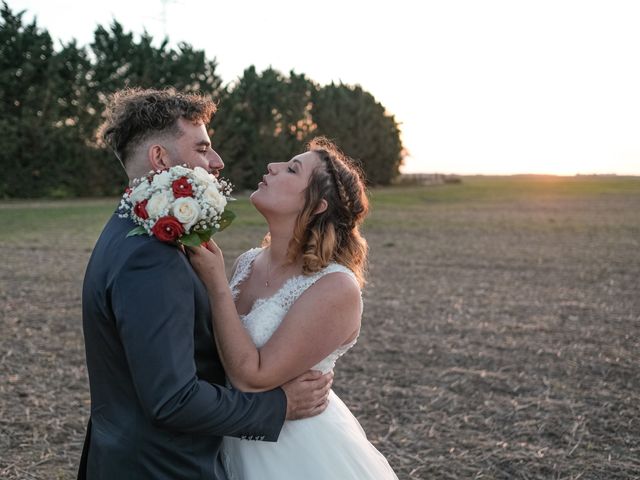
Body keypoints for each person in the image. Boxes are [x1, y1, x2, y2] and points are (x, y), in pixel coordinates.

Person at [79, 88, 333, 480]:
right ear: (160, 158)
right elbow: (173, 400)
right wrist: (279, 407)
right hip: (160, 467)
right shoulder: (149, 255)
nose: (217, 161)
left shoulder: (132, 231)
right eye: (202, 148)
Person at [187, 137, 399, 479]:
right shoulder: (248, 263)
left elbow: (251, 378)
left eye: (291, 169)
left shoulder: (335, 287)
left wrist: (215, 283)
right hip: (233, 439)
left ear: (317, 206)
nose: (272, 167)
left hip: (296, 454)